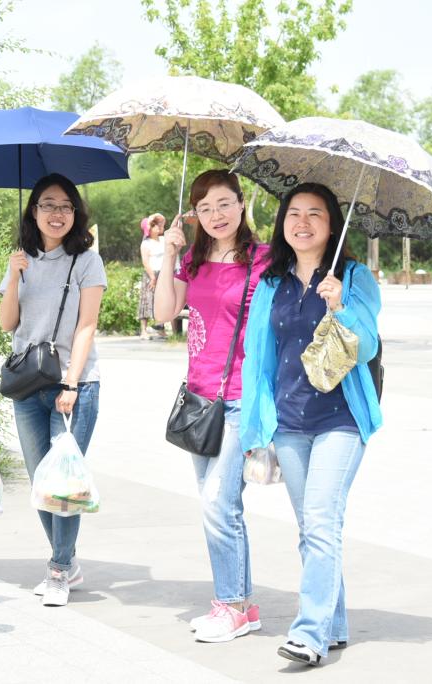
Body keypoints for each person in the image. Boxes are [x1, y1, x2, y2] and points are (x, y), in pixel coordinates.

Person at [239, 182, 383, 666]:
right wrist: (255, 429)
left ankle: (308, 634)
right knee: (311, 529)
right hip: (289, 423)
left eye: (315, 213)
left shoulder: (354, 277)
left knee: (321, 521)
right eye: (294, 213)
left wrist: (340, 304)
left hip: (341, 420)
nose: (302, 222)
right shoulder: (270, 282)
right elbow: (257, 359)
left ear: (332, 223)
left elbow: (368, 346)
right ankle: (333, 625)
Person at [154, 170, 270, 643]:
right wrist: (169, 254)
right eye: (205, 208)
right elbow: (163, 312)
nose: (216, 215)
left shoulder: (264, 258)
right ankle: (242, 605)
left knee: (218, 504)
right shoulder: (194, 260)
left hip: (241, 398)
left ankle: (230, 605)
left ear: (241, 204)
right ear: (194, 215)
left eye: (224, 204)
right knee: (220, 506)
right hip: (201, 400)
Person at [0, 173, 106, 608]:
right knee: (42, 483)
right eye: (47, 204)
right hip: (27, 385)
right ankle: (67, 560)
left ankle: (59, 568)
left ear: (75, 212)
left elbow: (87, 325)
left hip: (73, 386)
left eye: (65, 206)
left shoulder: (86, 261)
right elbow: (8, 323)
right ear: (34, 211)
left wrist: (71, 381)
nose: (56, 213)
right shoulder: (21, 260)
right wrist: (13, 275)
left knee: (65, 484)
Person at [138, 213, 167, 340]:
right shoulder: (146, 243)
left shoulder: (163, 240)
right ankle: (143, 330)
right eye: (155, 225)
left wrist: (156, 218)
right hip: (151, 274)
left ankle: (161, 328)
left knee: (162, 300)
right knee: (147, 300)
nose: (158, 227)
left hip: (163, 273)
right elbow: (145, 262)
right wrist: (152, 277)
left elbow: (163, 220)